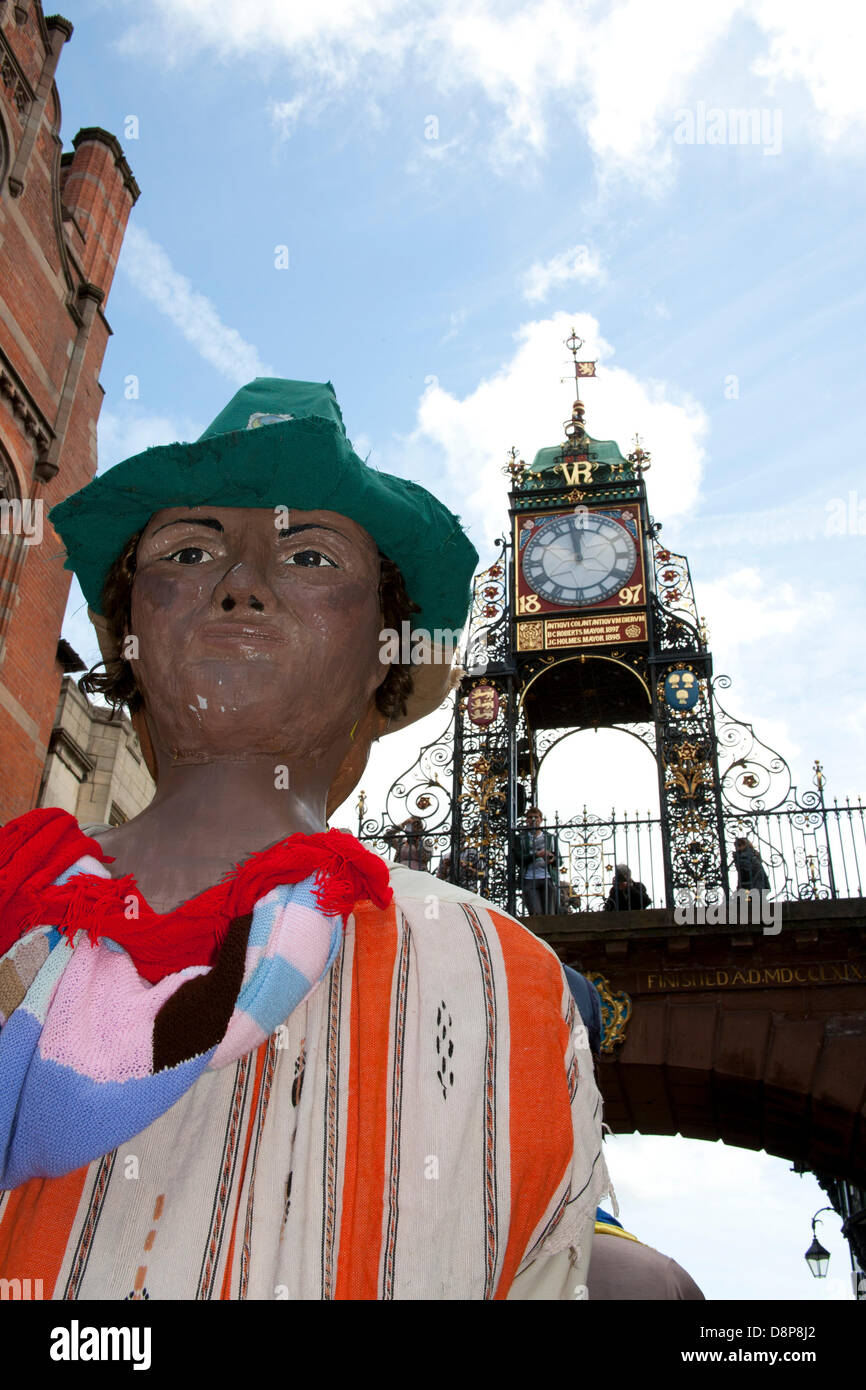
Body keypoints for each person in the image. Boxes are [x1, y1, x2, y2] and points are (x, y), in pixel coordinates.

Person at [0, 378, 608, 1300]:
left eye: (311, 557)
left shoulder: (506, 987)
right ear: (129, 633)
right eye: (191, 550)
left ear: (383, 652)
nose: (240, 584)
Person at [516, 807, 559, 914]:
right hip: (529, 878)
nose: (533, 820)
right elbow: (518, 859)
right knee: (535, 913)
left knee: (549, 913)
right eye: (530, 817)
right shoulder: (521, 838)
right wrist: (536, 855)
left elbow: (559, 861)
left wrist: (552, 859)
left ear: (541, 819)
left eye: (536, 817)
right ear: (526, 820)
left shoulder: (550, 838)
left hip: (547, 877)